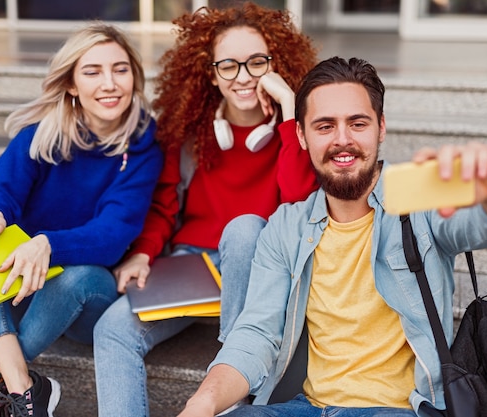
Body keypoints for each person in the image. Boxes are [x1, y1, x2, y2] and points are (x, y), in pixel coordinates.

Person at [176, 56, 487, 417]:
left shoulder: (417, 202)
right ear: (301, 136)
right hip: (306, 407)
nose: (342, 140)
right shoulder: (286, 227)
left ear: (380, 127)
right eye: (324, 126)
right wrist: (203, 403)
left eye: (357, 123)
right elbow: (256, 334)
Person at [93, 3, 318, 417]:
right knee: (111, 329)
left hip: (258, 267)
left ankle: (234, 390)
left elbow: (299, 207)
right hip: (191, 268)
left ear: (276, 63)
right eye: (228, 66)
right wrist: (144, 252)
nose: (244, 77)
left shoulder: (296, 135)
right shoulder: (190, 132)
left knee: (246, 228)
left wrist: (291, 107)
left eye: (256, 63)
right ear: (212, 74)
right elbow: (164, 206)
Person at [0, 22, 163, 417]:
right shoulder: (40, 135)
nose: (109, 83)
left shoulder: (143, 149)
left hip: (85, 296)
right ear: (72, 84)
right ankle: (23, 385)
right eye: (92, 72)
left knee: (74, 275)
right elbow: (0, 191)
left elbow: (112, 234)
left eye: (120, 69)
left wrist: (47, 243)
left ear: (134, 78)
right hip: (19, 283)